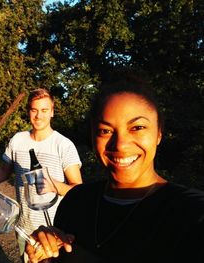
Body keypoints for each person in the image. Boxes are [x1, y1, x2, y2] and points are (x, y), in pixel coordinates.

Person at [25, 73, 204, 263]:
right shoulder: (76, 202)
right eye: (105, 131)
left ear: (159, 133)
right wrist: (44, 254)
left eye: (137, 127)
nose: (120, 145)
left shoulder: (190, 213)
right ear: (93, 137)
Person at [0, 88, 82, 261]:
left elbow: (78, 191)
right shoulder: (17, 140)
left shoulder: (63, 145)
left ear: (52, 112)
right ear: (28, 111)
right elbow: (3, 172)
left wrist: (54, 185)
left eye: (44, 110)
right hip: (24, 228)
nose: (38, 116)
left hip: (54, 231)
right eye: (34, 110)